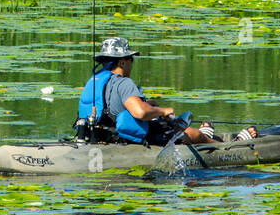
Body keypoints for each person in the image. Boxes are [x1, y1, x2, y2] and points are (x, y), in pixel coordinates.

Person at [82, 37, 221, 145]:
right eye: (131, 59)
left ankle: (208, 134)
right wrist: (163, 111)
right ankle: (224, 147)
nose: (132, 64)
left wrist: (147, 103)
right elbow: (140, 112)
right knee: (191, 133)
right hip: (122, 139)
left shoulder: (95, 81)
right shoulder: (124, 82)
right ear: (122, 62)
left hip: (98, 136)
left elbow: (111, 108)